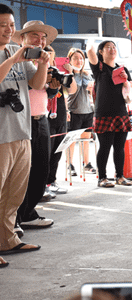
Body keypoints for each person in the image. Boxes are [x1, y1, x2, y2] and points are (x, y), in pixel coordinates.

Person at [0, 5, 49, 257]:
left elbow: (37, 84)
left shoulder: (15, 50)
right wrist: (13, 59)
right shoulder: (13, 55)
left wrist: (43, 63)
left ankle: (7, 239)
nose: (8, 29)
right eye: (3, 25)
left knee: (14, 193)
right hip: (1, 137)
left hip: (22, 131)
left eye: (10, 24)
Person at [14, 20, 59, 230]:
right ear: (22, 38)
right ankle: (15, 218)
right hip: (20, 121)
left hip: (42, 118)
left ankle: (28, 212)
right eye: (34, 36)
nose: (39, 41)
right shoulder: (15, 58)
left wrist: (53, 84)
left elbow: (40, 87)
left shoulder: (42, 59)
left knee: (41, 169)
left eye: (43, 38)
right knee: (20, 173)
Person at [87, 40, 132, 187]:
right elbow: (89, 52)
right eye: (108, 47)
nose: (112, 49)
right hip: (103, 113)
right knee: (105, 146)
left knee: (119, 147)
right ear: (101, 52)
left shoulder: (121, 69)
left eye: (114, 47)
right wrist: (91, 42)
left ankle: (120, 176)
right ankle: (102, 178)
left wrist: (126, 81)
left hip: (121, 112)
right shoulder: (99, 67)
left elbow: (130, 88)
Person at [63, 48, 96, 175]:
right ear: (70, 60)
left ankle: (86, 164)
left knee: (86, 139)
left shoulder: (86, 74)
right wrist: (71, 72)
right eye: (75, 58)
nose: (79, 61)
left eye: (81, 58)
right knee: (72, 139)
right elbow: (68, 93)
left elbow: (90, 89)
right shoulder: (67, 75)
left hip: (88, 111)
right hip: (74, 112)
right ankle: (69, 164)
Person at [45, 45, 70, 198]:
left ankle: (52, 181)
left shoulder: (57, 72)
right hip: (45, 116)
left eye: (51, 55)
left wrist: (67, 112)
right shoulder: (40, 72)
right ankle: (44, 183)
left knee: (58, 150)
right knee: (46, 152)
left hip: (60, 114)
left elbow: (67, 92)